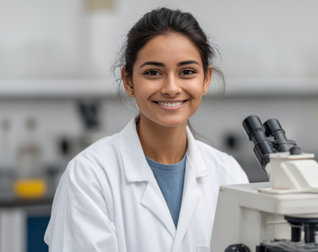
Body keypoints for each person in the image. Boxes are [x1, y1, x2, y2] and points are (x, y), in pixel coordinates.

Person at [44, 7, 248, 252]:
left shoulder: (228, 175)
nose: (171, 88)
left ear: (206, 80)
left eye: (187, 72)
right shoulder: (89, 176)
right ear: (129, 81)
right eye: (153, 72)